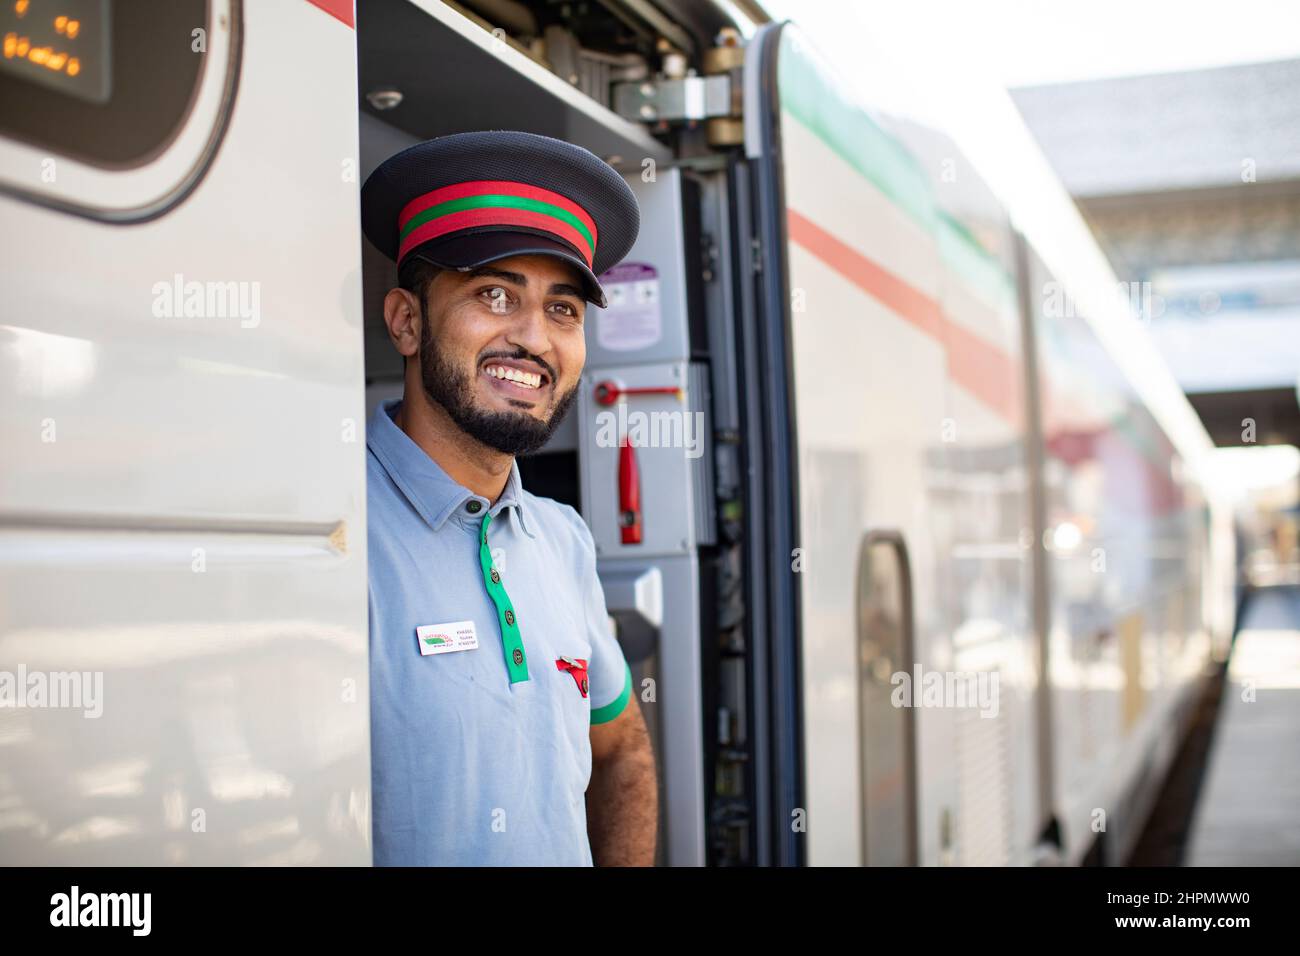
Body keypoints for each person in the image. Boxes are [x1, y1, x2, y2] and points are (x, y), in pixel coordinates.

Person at [360, 130, 657, 865]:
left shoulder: (561, 539)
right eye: (494, 295)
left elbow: (621, 750)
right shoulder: (330, 529)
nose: (534, 339)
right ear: (406, 320)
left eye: (563, 310)